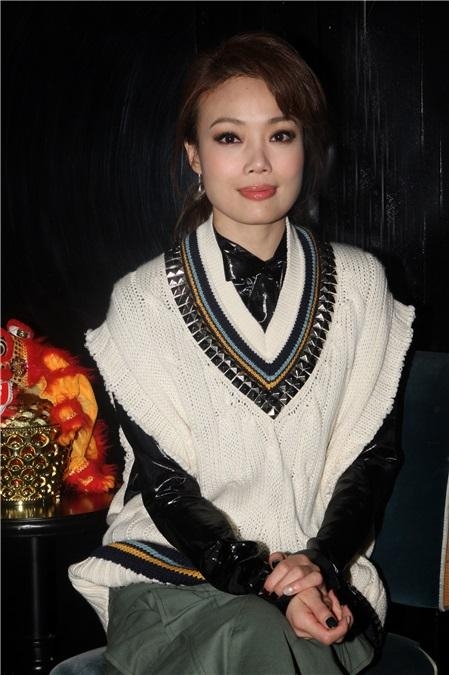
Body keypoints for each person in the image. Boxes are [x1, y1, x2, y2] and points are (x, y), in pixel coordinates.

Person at [69, 32, 415, 675]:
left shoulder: (362, 287)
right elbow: (166, 486)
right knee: (260, 634)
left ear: (306, 147)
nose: (259, 162)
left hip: (324, 575)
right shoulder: (141, 302)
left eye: (280, 134)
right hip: (176, 576)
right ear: (194, 156)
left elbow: (372, 458)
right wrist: (264, 579)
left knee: (287, 639)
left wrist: (315, 566)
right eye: (229, 138)